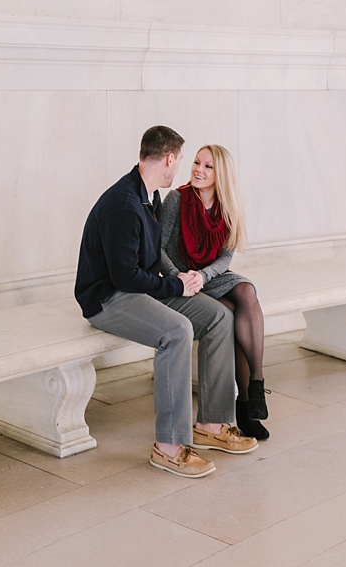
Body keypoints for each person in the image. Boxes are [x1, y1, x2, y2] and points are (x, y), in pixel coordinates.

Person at [73, 125, 256, 478]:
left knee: (220, 318)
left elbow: (148, 263)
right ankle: (169, 445)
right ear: (170, 158)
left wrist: (185, 280)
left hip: (139, 289)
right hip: (107, 297)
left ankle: (213, 424)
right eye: (183, 160)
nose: (184, 168)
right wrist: (175, 285)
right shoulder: (123, 204)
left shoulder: (150, 196)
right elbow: (125, 277)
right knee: (177, 331)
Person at [159, 144, 268, 439]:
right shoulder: (176, 200)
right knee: (232, 315)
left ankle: (254, 389)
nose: (198, 169)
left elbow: (226, 258)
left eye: (208, 166)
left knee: (246, 292)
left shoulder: (227, 205)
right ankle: (244, 406)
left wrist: (203, 275)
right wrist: (179, 276)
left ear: (221, 174)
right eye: (196, 162)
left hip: (210, 274)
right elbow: (159, 250)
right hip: (183, 278)